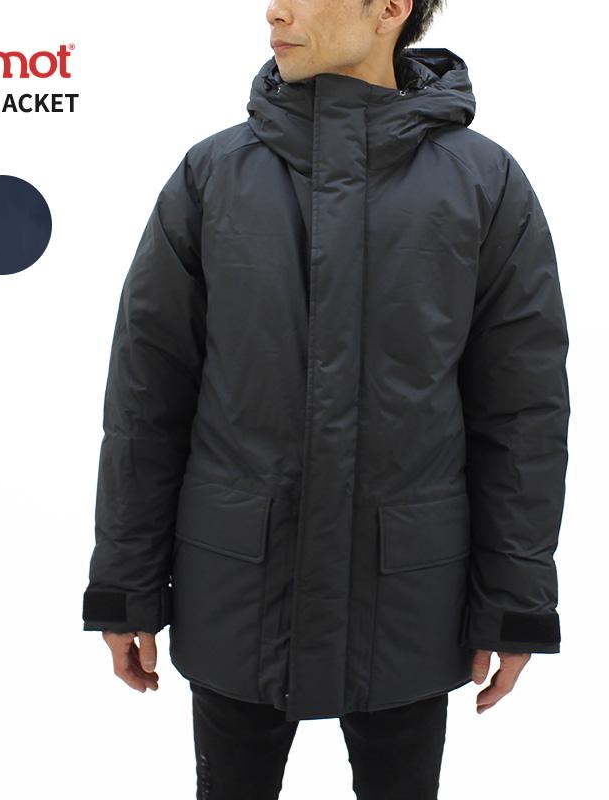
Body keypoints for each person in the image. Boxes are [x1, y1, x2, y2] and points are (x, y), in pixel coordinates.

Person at [82, 1, 570, 797]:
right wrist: (125, 586)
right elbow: (146, 398)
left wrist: (515, 602)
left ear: (390, 9)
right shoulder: (212, 177)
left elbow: (522, 416)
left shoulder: (485, 184)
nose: (275, 10)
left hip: (409, 596)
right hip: (237, 584)